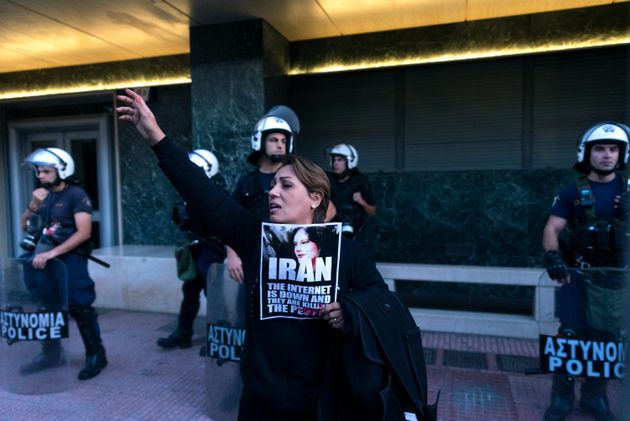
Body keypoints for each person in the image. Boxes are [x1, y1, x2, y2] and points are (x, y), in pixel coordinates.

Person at [116, 89, 434, 420]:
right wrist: (156, 136)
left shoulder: (346, 250)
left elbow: (381, 300)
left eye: (286, 185)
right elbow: (202, 192)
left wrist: (349, 311)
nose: (273, 192)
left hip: (323, 404)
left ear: (314, 198)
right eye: (272, 185)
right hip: (259, 401)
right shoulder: (255, 238)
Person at [542, 122, 630, 421]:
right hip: (578, 277)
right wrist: (553, 258)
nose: (607, 155)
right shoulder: (571, 191)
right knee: (569, 337)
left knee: (606, 339)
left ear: (622, 154)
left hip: (618, 280)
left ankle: (596, 398)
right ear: (587, 153)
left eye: (613, 149)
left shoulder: (629, 190)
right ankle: (561, 398)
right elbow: (553, 228)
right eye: (600, 149)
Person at [19, 147, 107, 380]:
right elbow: (24, 226)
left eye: (46, 171)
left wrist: (51, 254)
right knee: (47, 306)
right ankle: (51, 353)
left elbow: (84, 232)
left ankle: (96, 354)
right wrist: (32, 205)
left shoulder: (76, 195)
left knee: (80, 306)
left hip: (70, 258)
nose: (40, 176)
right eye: (39, 171)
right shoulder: (43, 196)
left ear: (62, 171)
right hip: (46, 259)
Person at [157, 149, 227, 350]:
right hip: (195, 248)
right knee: (190, 292)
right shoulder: (192, 192)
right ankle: (183, 332)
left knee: (213, 295)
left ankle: (218, 336)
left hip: (212, 249)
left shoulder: (217, 193)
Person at [227, 105, 300, 284]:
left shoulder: (297, 178)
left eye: (283, 141)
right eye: (274, 140)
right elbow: (230, 220)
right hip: (253, 257)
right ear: (260, 142)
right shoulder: (246, 182)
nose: (280, 145)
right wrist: (232, 255)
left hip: (289, 259)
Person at [326, 143, 376, 238]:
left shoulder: (360, 181)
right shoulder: (328, 180)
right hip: (331, 233)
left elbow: (372, 212)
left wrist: (361, 202)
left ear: (350, 161)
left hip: (355, 235)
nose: (335, 163)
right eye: (334, 160)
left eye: (340, 160)